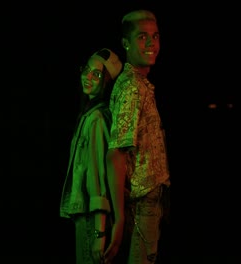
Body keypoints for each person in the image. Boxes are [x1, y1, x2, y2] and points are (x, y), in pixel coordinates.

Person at [106, 9, 171, 264]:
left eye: (155, 37)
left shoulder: (141, 84)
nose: (151, 44)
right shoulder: (132, 87)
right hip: (141, 202)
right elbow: (116, 154)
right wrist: (120, 218)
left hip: (149, 201)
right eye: (142, 37)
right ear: (126, 43)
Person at [60, 48, 123, 264]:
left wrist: (99, 233)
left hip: (92, 220)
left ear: (106, 82)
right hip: (85, 217)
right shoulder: (90, 115)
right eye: (86, 70)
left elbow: (99, 178)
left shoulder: (97, 118)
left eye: (96, 74)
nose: (88, 77)